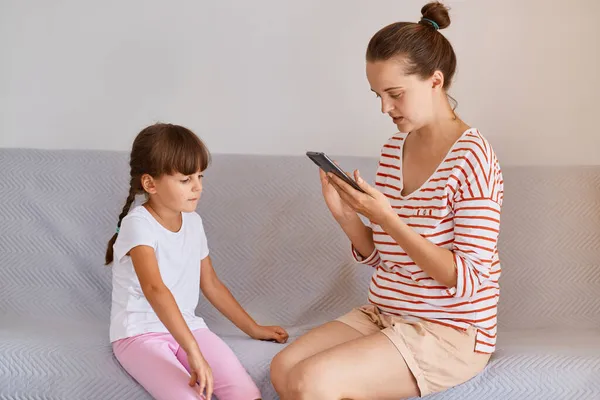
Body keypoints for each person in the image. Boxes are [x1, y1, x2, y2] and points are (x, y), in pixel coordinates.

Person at [270, 2, 503, 399]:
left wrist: (389, 219)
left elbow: (467, 281)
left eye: (395, 94)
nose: (384, 108)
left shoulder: (473, 158)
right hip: (386, 314)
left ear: (435, 80)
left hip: (449, 330)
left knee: (314, 381)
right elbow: (385, 258)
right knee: (284, 367)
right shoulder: (395, 149)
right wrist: (347, 217)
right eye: (378, 95)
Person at [105, 123, 289, 400]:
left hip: (189, 327)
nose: (197, 188)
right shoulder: (138, 225)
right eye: (185, 180)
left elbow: (211, 284)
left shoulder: (193, 222)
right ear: (150, 184)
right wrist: (193, 351)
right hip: (139, 335)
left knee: (246, 394)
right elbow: (155, 289)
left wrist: (254, 328)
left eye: (200, 177)